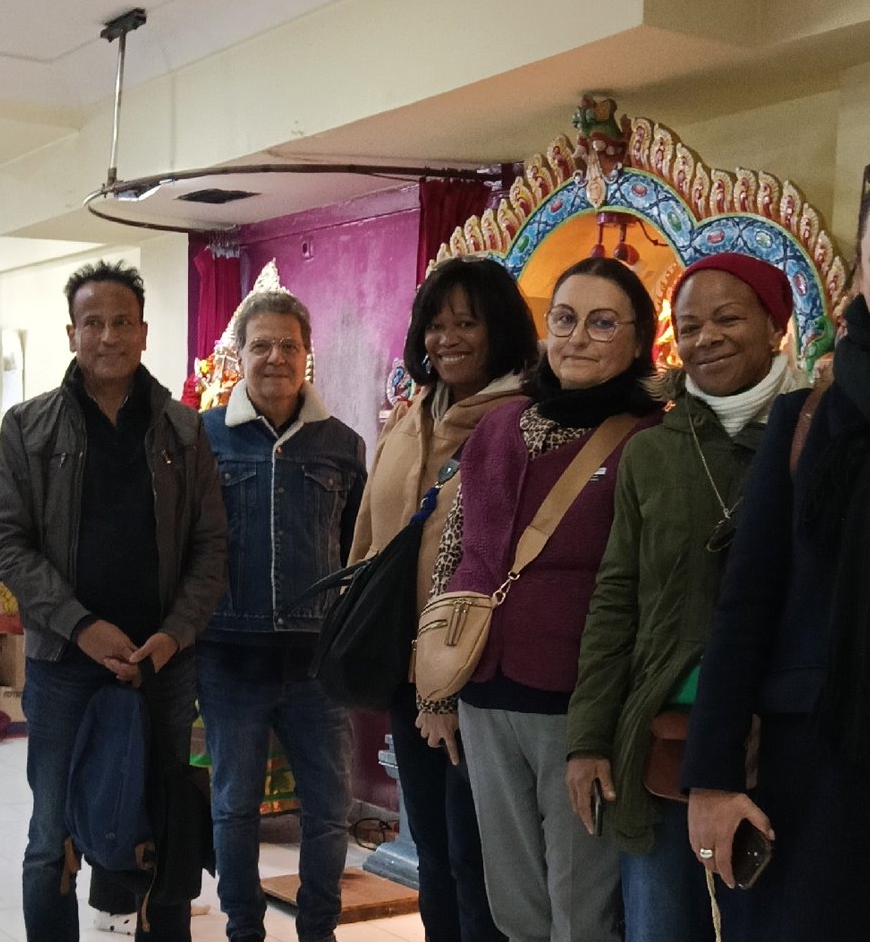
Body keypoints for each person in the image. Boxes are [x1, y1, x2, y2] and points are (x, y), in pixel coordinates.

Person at [684, 156, 870, 941]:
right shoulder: (810, 420)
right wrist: (713, 778)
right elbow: (747, 604)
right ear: (862, 268)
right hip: (819, 775)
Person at [0, 260, 228, 942]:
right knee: (51, 837)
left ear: (144, 333)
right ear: (72, 334)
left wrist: (174, 636)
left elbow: (212, 551)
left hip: (163, 665)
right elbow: (7, 543)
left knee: (165, 825)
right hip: (66, 663)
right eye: (93, 323)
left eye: (122, 322)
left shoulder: (185, 431)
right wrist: (82, 626)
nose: (108, 336)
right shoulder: (28, 428)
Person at [564, 253, 800, 942]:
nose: (707, 339)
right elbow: (615, 601)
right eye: (690, 325)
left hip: (781, 742)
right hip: (661, 739)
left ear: (774, 324)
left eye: (729, 318)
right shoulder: (653, 453)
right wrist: (587, 739)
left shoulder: (819, 434)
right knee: (660, 926)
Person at [430, 256, 665, 942]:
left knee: (580, 904)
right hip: (483, 692)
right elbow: (457, 551)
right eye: (564, 319)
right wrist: (436, 687)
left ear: (635, 338)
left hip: (579, 704)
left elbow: (644, 589)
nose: (578, 338)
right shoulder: (502, 426)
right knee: (513, 901)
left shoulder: (649, 439)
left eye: (601, 323)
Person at [350, 255, 539, 942]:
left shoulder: (523, 423)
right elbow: (372, 537)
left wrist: (451, 688)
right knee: (432, 851)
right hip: (409, 674)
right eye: (435, 324)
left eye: (467, 323)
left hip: (478, 680)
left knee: (477, 858)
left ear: (501, 332)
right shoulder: (411, 415)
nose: (447, 338)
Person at [196, 290, 366, 942]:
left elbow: (356, 551)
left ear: (307, 354)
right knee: (235, 807)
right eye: (260, 345)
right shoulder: (203, 438)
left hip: (317, 661)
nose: (275, 358)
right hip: (229, 655)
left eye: (288, 345)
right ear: (238, 355)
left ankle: (318, 930)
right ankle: (245, 929)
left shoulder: (341, 445)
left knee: (327, 810)